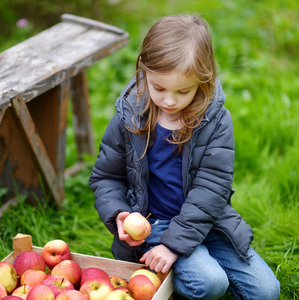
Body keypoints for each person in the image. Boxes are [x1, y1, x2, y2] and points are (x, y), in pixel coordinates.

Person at [89, 14, 280, 299]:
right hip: (152, 224)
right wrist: (119, 213)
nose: (168, 100)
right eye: (159, 88)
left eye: (183, 91)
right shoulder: (130, 116)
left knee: (267, 291)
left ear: (203, 80)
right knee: (210, 283)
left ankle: (186, 258)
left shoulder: (215, 121)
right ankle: (167, 270)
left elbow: (211, 190)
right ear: (145, 72)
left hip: (207, 221)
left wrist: (176, 245)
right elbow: (106, 176)